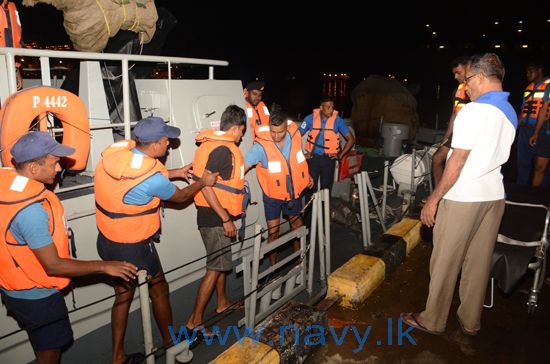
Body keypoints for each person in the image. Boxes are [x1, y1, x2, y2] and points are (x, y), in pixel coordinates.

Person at [402, 53, 517, 336]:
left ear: (479, 77)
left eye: (467, 81)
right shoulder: (510, 112)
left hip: (463, 196)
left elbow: (457, 160)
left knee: (445, 260)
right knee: (478, 263)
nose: (466, 88)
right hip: (494, 196)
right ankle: (470, 321)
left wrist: (434, 199)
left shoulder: (473, 112)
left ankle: (433, 319)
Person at [0, 132, 138, 364]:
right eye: (54, 163)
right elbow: (53, 265)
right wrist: (105, 266)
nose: (58, 170)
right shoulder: (31, 211)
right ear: (33, 168)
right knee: (49, 354)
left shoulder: (8, 186)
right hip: (37, 296)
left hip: (14, 286)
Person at [94, 116, 218, 364]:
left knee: (123, 295)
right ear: (153, 145)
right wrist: (203, 182)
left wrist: (174, 172)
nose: (169, 145)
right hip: (133, 245)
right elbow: (182, 196)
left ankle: (117, 356)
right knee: (159, 288)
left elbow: (139, 180)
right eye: (165, 141)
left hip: (107, 238)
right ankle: (171, 343)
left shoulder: (120, 154)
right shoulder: (152, 177)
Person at [187, 104, 247, 340]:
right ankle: (194, 321)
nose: (242, 136)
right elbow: (206, 185)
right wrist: (225, 219)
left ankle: (222, 302)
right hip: (215, 218)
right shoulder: (223, 149)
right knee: (214, 268)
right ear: (237, 128)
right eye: (242, 131)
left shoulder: (212, 144)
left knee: (221, 263)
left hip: (215, 216)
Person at [244, 109, 313, 298]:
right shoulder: (260, 146)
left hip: (294, 194)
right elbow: (244, 165)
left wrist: (307, 176)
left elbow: (299, 160)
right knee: (272, 234)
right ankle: (274, 274)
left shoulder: (294, 135)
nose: (276, 136)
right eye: (273, 132)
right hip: (273, 197)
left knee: (298, 228)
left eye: (280, 132)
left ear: (286, 126)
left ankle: (300, 266)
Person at [299, 97, 355, 225]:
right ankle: (308, 224)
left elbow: (351, 139)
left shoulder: (338, 121)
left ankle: (324, 221)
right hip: (312, 159)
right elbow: (296, 135)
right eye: (328, 106)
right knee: (310, 190)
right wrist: (302, 154)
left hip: (328, 161)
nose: (331, 109)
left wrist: (340, 154)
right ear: (321, 107)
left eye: (332, 107)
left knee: (326, 191)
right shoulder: (310, 119)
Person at [431, 56, 471, 187]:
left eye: (458, 72)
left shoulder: (479, 89)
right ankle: (438, 194)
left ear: (468, 68)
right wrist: (446, 137)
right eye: (454, 73)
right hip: (456, 132)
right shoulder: (458, 90)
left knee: (461, 168)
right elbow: (454, 114)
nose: (455, 76)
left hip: (471, 134)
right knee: (437, 159)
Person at [517, 62, 550, 186]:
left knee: (541, 165)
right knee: (522, 163)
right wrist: (514, 128)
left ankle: (541, 195)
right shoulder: (528, 88)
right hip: (525, 130)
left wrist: (537, 132)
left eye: (531, 71)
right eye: (526, 72)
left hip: (543, 130)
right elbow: (522, 111)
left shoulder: (548, 85)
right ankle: (521, 191)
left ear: (540, 70)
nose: (528, 74)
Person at [528, 80, 550, 187]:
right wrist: (536, 133)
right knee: (539, 166)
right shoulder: (549, 87)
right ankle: (534, 198)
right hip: (547, 131)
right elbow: (544, 109)